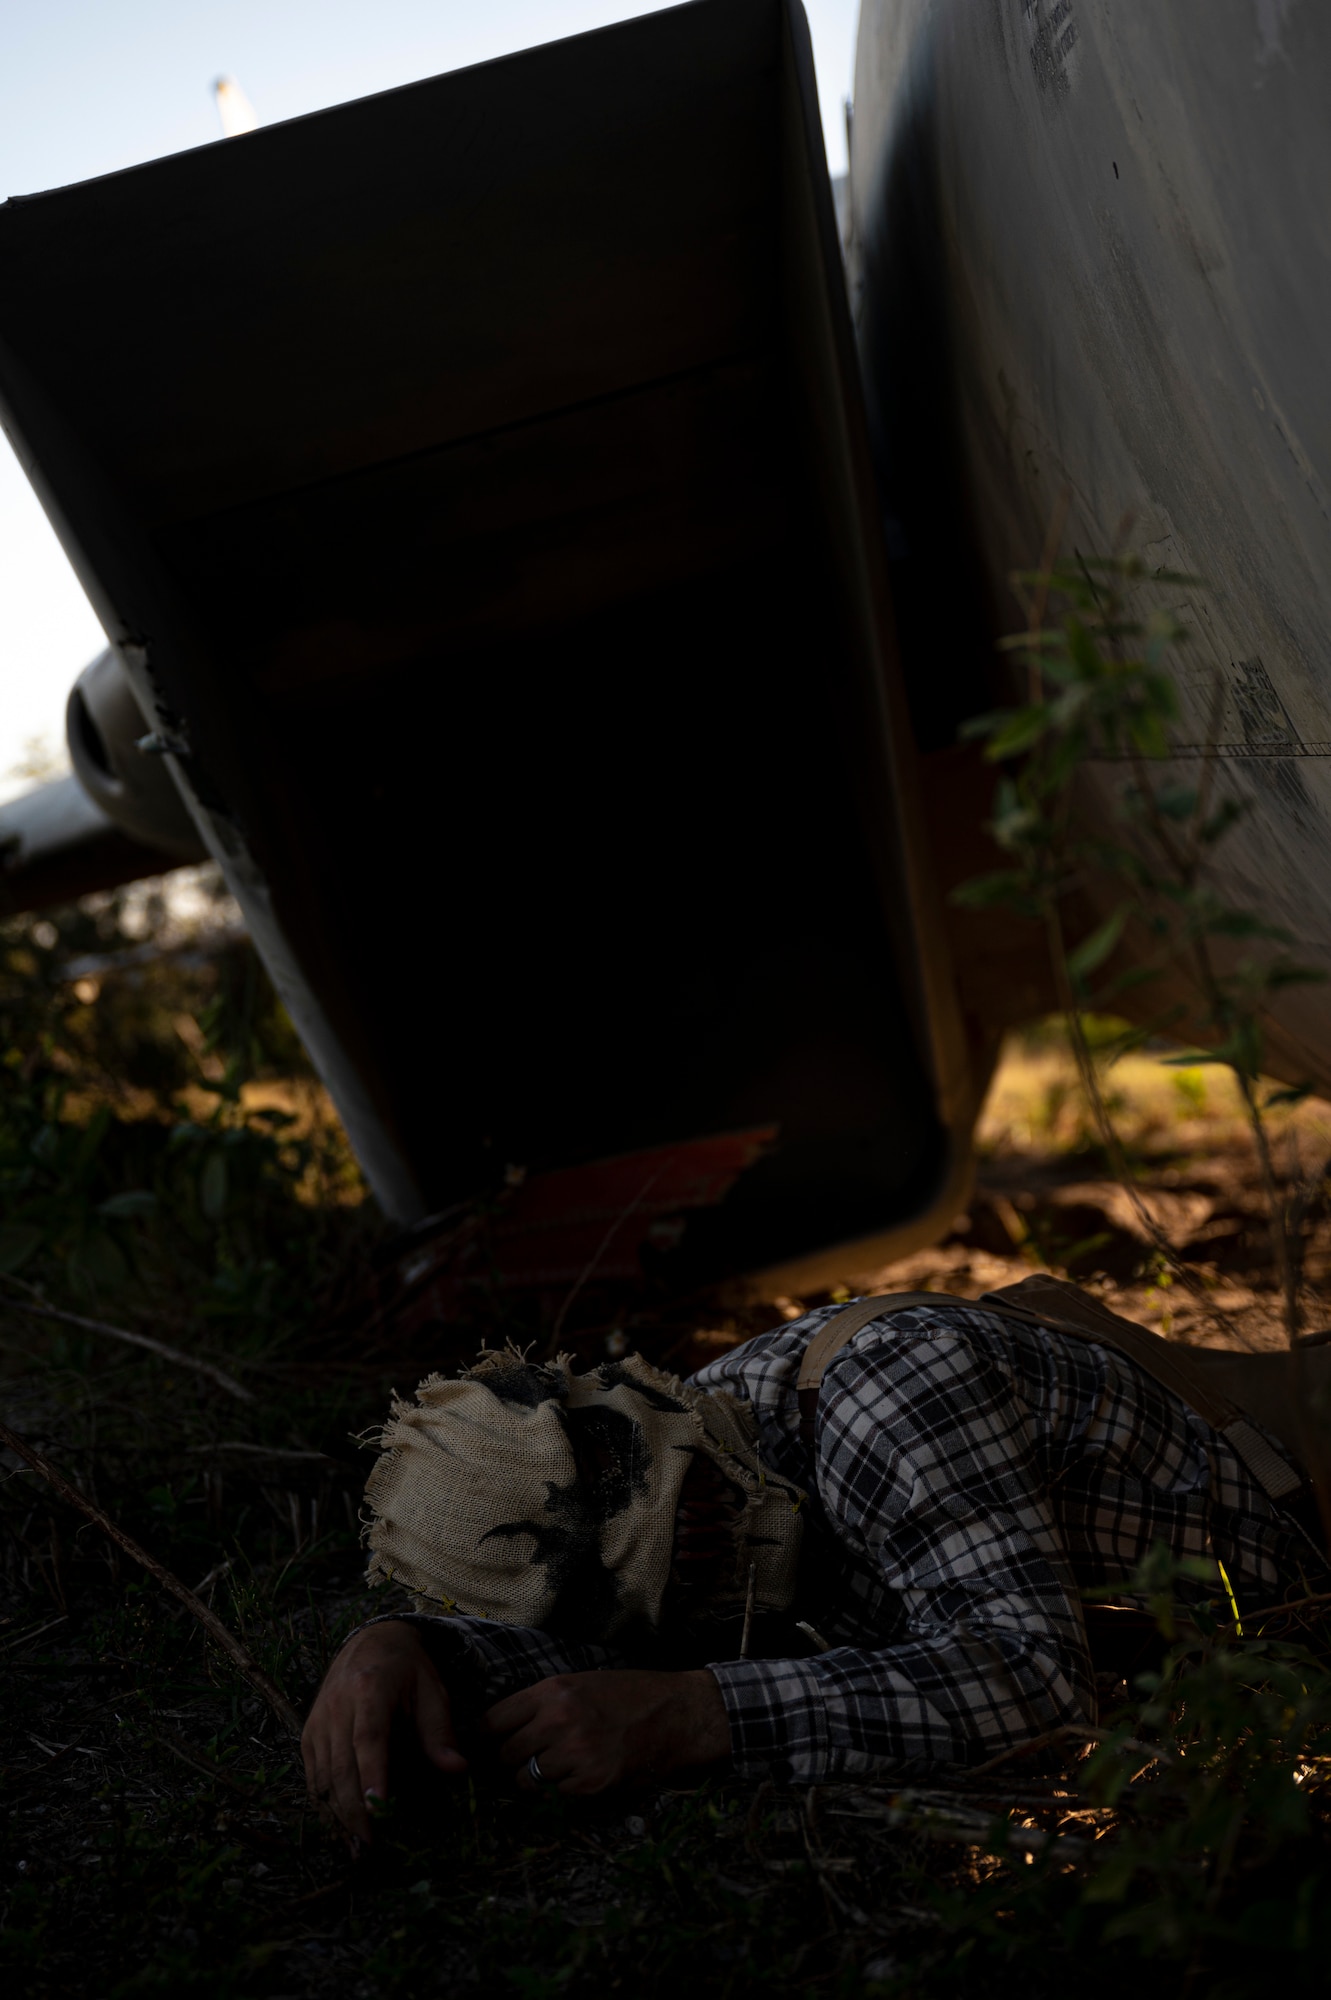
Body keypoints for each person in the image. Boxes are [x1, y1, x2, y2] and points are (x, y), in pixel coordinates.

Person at [302, 1287, 1317, 1843]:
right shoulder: (702, 1440)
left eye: (668, 1512)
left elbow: (1030, 1678)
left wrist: (694, 1712)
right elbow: (576, 1676)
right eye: (643, 1584)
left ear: (612, 1402)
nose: (694, 1546)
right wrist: (401, 1646)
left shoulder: (885, 1386)